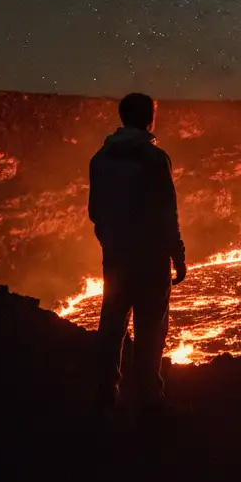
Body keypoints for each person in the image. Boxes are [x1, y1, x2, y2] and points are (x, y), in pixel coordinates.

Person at [88, 91, 186, 410]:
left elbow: (95, 211)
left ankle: (105, 396)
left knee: (112, 325)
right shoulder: (155, 159)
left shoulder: (100, 159)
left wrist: (110, 242)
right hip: (150, 258)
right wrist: (177, 253)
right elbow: (165, 211)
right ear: (149, 119)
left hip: (116, 257)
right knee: (150, 330)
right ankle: (149, 399)